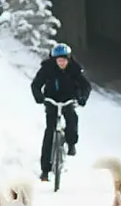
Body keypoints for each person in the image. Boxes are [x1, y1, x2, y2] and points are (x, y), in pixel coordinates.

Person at [30, 43, 92, 181]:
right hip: (51, 100)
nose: (61, 63)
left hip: (68, 99)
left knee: (72, 119)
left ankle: (71, 143)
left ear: (68, 59)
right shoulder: (47, 69)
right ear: (54, 60)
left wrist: (82, 98)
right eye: (59, 60)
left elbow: (86, 86)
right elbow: (35, 85)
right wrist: (39, 97)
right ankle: (45, 170)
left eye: (64, 60)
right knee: (49, 133)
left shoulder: (75, 69)